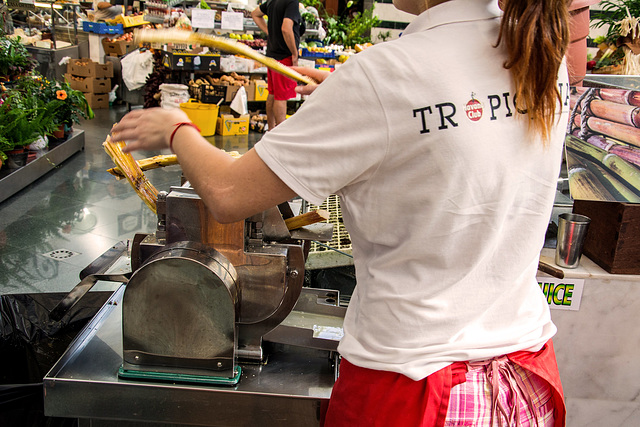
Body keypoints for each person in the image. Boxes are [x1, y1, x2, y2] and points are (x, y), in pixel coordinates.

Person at [112, 0, 571, 425]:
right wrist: (346, 94)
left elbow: (230, 194)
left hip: (411, 391)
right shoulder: (543, 52)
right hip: (525, 385)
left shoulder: (387, 75)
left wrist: (178, 129)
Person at [251, 0, 304, 130]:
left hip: (272, 54)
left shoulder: (273, 1)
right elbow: (286, 28)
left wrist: (269, 32)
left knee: (273, 94)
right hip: (284, 56)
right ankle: (280, 134)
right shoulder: (291, 2)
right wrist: (294, 54)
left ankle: (271, 130)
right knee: (281, 96)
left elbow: (255, 14)